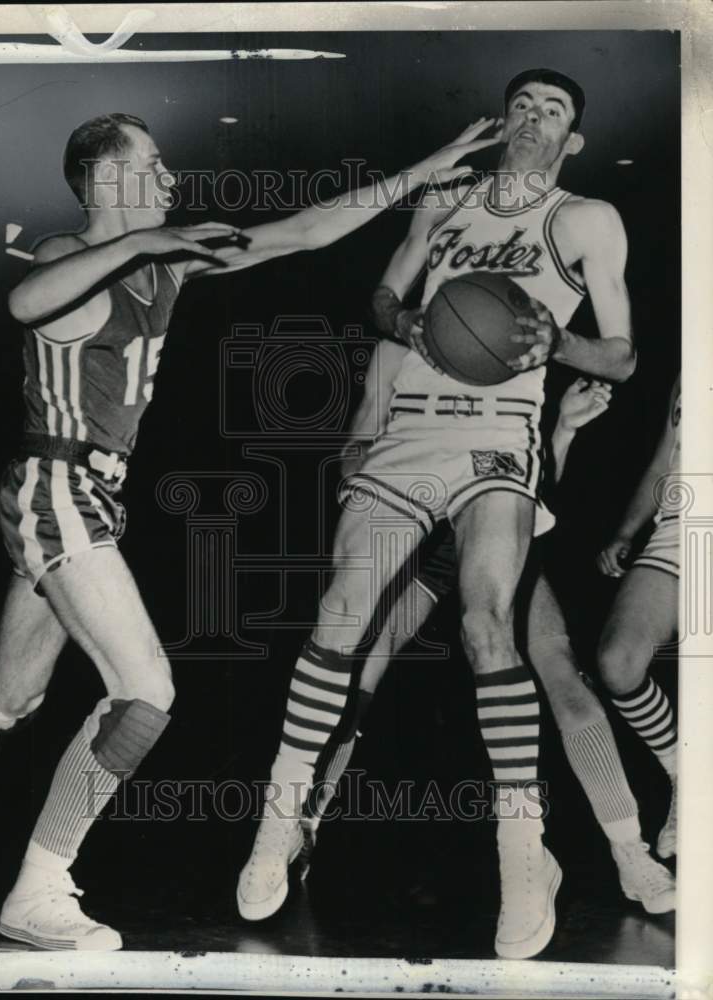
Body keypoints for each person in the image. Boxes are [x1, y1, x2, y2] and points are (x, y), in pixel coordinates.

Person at [0, 111, 500, 951]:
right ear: (108, 182)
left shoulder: (164, 264)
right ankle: (38, 892)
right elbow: (23, 299)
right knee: (145, 690)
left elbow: (306, 230)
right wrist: (145, 244)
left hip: (83, 499)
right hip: (54, 486)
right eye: (154, 163)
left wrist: (424, 168)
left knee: (10, 695)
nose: (172, 178)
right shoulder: (69, 255)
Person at [237, 69, 636, 960]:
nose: (533, 120)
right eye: (523, 106)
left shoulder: (584, 220)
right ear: (502, 121)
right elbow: (380, 297)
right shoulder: (448, 197)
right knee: (341, 615)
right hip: (408, 434)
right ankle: (279, 820)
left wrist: (557, 343)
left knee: (487, 623)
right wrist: (406, 326)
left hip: (499, 439)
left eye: (554, 112)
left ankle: (520, 853)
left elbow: (621, 355)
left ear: (570, 140)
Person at [296, 370, 674, 917]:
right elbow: (354, 454)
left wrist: (562, 431)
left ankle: (630, 854)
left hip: (495, 538)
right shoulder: (406, 358)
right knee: (362, 673)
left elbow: (536, 495)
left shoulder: (509, 368)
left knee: (562, 674)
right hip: (425, 538)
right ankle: (304, 820)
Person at [596, 374, 681, 859]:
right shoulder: (688, 374)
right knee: (617, 662)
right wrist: (626, 530)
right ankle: (684, 774)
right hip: (681, 529)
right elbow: (661, 465)